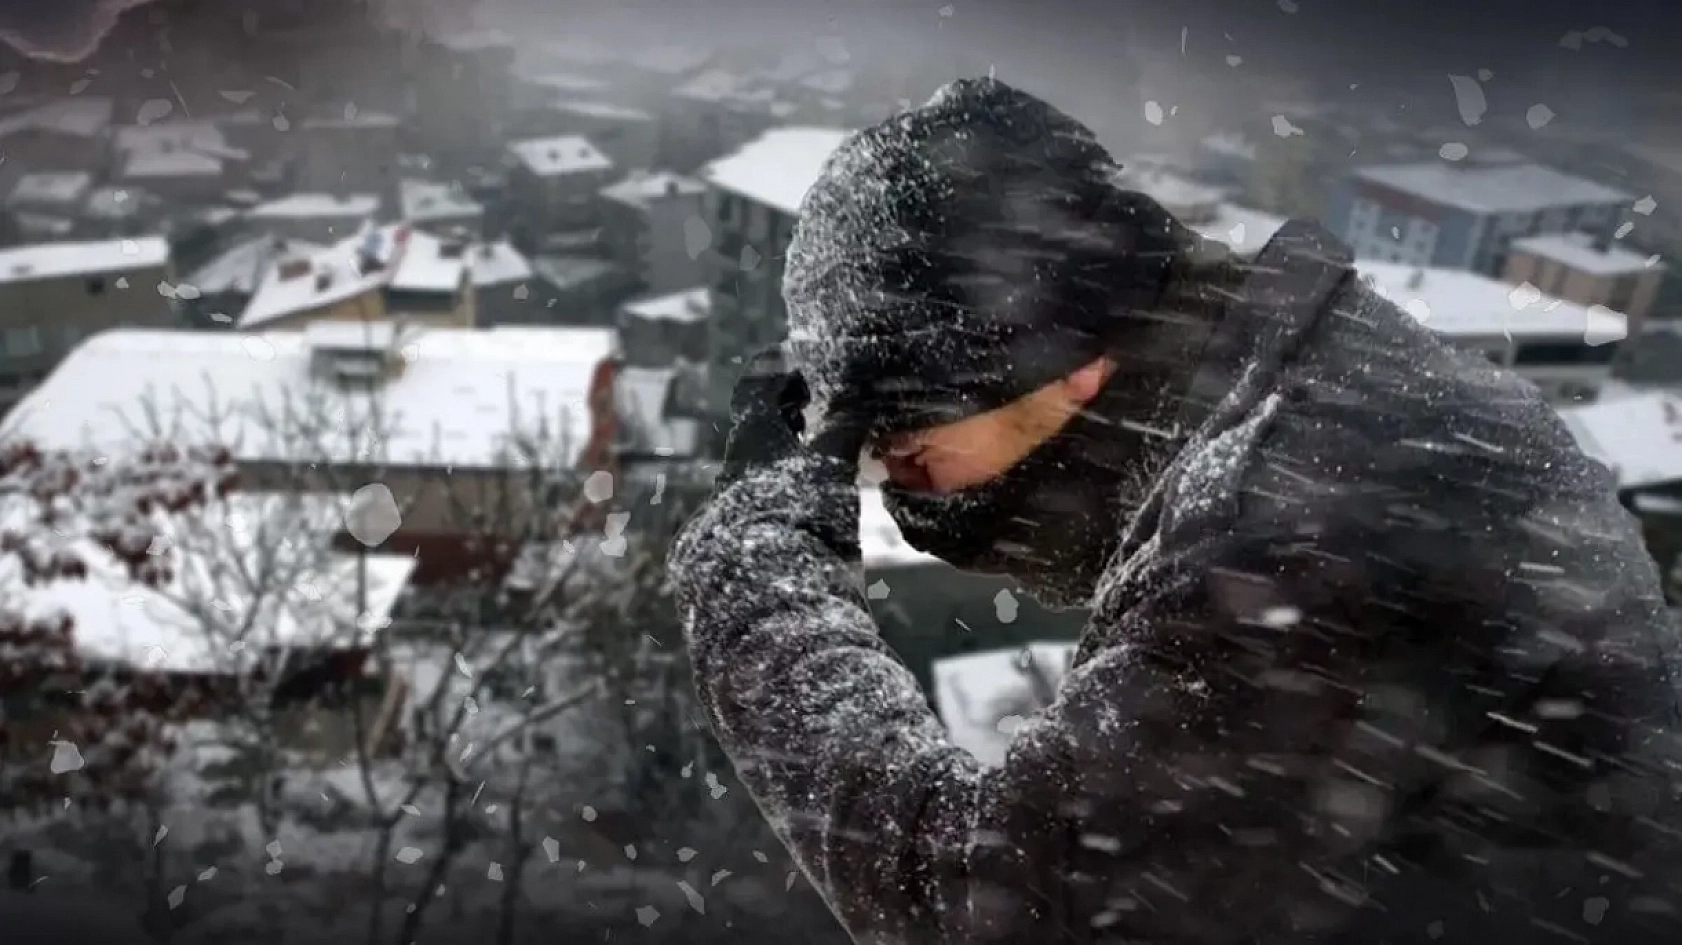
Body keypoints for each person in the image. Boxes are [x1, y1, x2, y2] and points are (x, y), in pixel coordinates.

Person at [667, 76, 1682, 944]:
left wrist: (755, 569)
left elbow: (990, 903)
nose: (890, 480)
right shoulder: (1314, 391)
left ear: (1066, 364)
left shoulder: (1292, 535)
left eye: (906, 443)